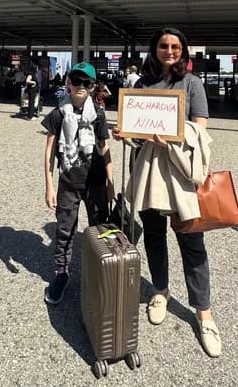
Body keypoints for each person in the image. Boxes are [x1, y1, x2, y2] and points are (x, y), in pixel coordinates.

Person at [114, 27, 222, 357]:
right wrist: (126, 133)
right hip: (147, 170)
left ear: (183, 51)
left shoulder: (192, 84)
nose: (169, 50)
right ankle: (160, 290)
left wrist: (172, 136)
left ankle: (203, 312)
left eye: (175, 46)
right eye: (163, 45)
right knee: (155, 236)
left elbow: (201, 129)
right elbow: (135, 126)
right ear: (154, 49)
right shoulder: (141, 85)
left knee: (192, 241)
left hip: (180, 175)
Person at [42, 62, 114, 304]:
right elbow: (50, 150)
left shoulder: (99, 115)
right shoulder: (58, 113)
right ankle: (61, 274)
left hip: (95, 182)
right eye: (77, 81)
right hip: (68, 182)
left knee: (100, 229)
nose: (81, 86)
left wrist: (111, 182)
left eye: (87, 82)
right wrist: (49, 186)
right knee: (64, 231)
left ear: (93, 86)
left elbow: (104, 147)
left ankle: (100, 271)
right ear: (69, 83)